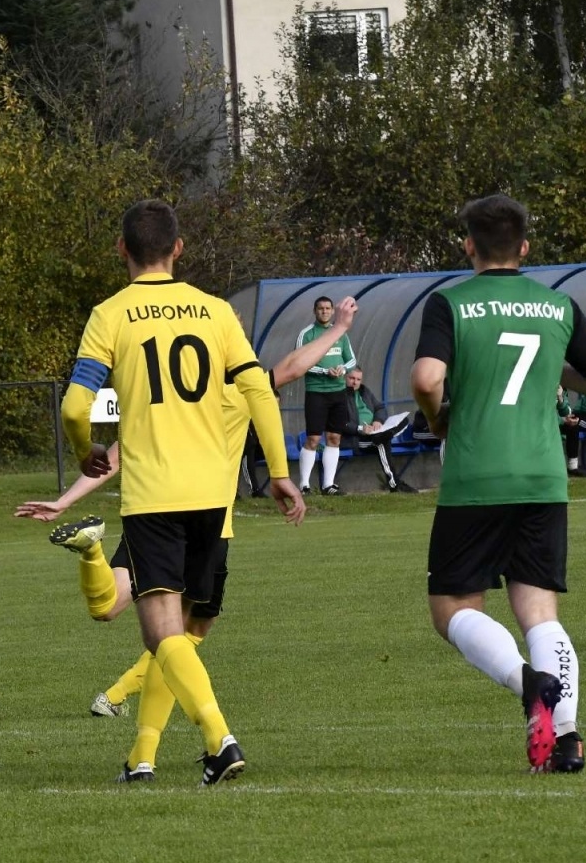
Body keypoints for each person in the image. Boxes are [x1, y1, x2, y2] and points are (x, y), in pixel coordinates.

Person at [53, 198, 304, 785]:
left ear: (122, 250)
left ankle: (219, 739)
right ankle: (142, 757)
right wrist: (281, 473)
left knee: (162, 634)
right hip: (212, 502)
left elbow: (73, 403)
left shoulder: (110, 314)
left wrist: (83, 446)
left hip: (154, 496)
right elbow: (260, 392)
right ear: (179, 249)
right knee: (182, 635)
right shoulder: (216, 312)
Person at [19, 299, 355, 720]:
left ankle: (92, 555)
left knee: (109, 607)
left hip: (152, 514)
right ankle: (161, 720)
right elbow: (293, 367)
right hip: (208, 526)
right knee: (189, 631)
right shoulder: (238, 388)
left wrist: (64, 501)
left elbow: (116, 456)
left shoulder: (175, 398)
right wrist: (338, 329)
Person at [410, 193, 586, 774]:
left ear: (467, 245)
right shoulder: (557, 305)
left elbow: (428, 378)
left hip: (477, 477)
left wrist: (437, 417)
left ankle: (530, 686)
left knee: (452, 607)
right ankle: (569, 737)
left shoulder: (449, 303)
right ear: (525, 247)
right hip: (543, 477)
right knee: (540, 612)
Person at [296, 296, 358, 495]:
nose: (324, 311)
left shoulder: (340, 333)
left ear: (333, 311)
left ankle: (328, 485)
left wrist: (342, 369)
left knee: (334, 438)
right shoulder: (307, 334)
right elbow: (299, 361)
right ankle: (304, 485)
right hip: (316, 392)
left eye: (328, 308)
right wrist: (324, 372)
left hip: (337, 392)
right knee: (313, 439)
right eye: (321, 308)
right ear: (315, 311)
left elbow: (352, 361)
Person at [341, 367, 417, 492]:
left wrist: (378, 421)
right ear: (345, 378)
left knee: (404, 420)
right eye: (352, 378)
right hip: (357, 438)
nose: (355, 382)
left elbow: (380, 408)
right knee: (382, 442)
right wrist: (361, 429)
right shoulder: (340, 396)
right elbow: (341, 423)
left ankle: (386, 434)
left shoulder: (365, 392)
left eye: (358, 379)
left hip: (375, 431)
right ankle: (394, 484)